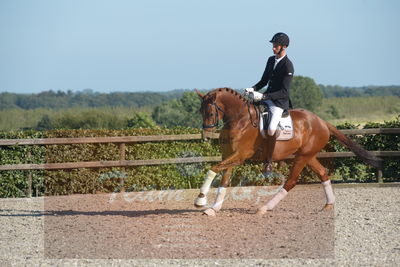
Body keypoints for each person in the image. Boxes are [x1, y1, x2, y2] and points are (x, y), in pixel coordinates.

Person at [245, 32, 294, 175]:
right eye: (273, 45)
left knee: (272, 129)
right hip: (266, 98)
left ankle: (269, 163)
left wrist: (264, 95)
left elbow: (284, 92)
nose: (273, 48)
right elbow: (264, 81)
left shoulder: (288, 66)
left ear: (284, 47)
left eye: (276, 46)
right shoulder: (271, 60)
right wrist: (253, 89)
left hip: (279, 103)